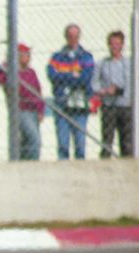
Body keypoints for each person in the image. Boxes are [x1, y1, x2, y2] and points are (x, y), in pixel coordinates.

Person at [47, 24, 95, 160]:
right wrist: (73, 75)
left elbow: (86, 78)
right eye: (70, 36)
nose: (73, 39)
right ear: (66, 37)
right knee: (63, 145)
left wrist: (65, 76)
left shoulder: (86, 56)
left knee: (80, 144)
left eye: (76, 36)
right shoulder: (57, 57)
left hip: (79, 105)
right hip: (62, 104)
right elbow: (52, 76)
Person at [0, 43, 45, 160]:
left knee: (26, 141)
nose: (28, 58)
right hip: (21, 110)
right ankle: (32, 164)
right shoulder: (10, 72)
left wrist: (41, 110)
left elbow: (38, 92)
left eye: (29, 55)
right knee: (35, 139)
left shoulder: (31, 72)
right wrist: (7, 64)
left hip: (34, 111)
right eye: (25, 55)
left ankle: (22, 161)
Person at [92, 31, 136, 158]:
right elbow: (94, 84)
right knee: (107, 140)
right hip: (109, 106)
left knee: (127, 142)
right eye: (112, 44)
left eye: (117, 44)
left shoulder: (130, 63)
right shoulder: (102, 63)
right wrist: (105, 91)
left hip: (126, 105)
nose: (115, 47)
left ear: (122, 45)